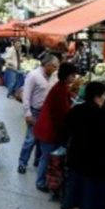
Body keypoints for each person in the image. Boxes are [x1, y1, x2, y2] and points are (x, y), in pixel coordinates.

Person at [61, 81, 105, 209]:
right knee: (94, 193)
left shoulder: (77, 110)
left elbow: (65, 129)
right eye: (104, 95)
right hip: (96, 163)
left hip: (76, 158)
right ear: (97, 96)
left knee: (75, 191)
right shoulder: (103, 115)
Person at [33, 62, 77, 192]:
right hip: (48, 129)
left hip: (47, 128)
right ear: (67, 76)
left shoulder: (62, 87)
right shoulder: (60, 89)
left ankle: (44, 180)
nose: (74, 78)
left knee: (45, 157)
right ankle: (40, 182)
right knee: (46, 157)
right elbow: (62, 113)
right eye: (72, 75)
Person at [17, 55, 59, 174]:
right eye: (54, 66)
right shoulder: (33, 75)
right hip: (35, 111)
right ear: (47, 65)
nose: (56, 69)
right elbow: (26, 95)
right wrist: (27, 113)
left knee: (43, 139)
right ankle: (22, 163)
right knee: (31, 139)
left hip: (47, 113)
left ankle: (37, 161)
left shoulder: (54, 76)